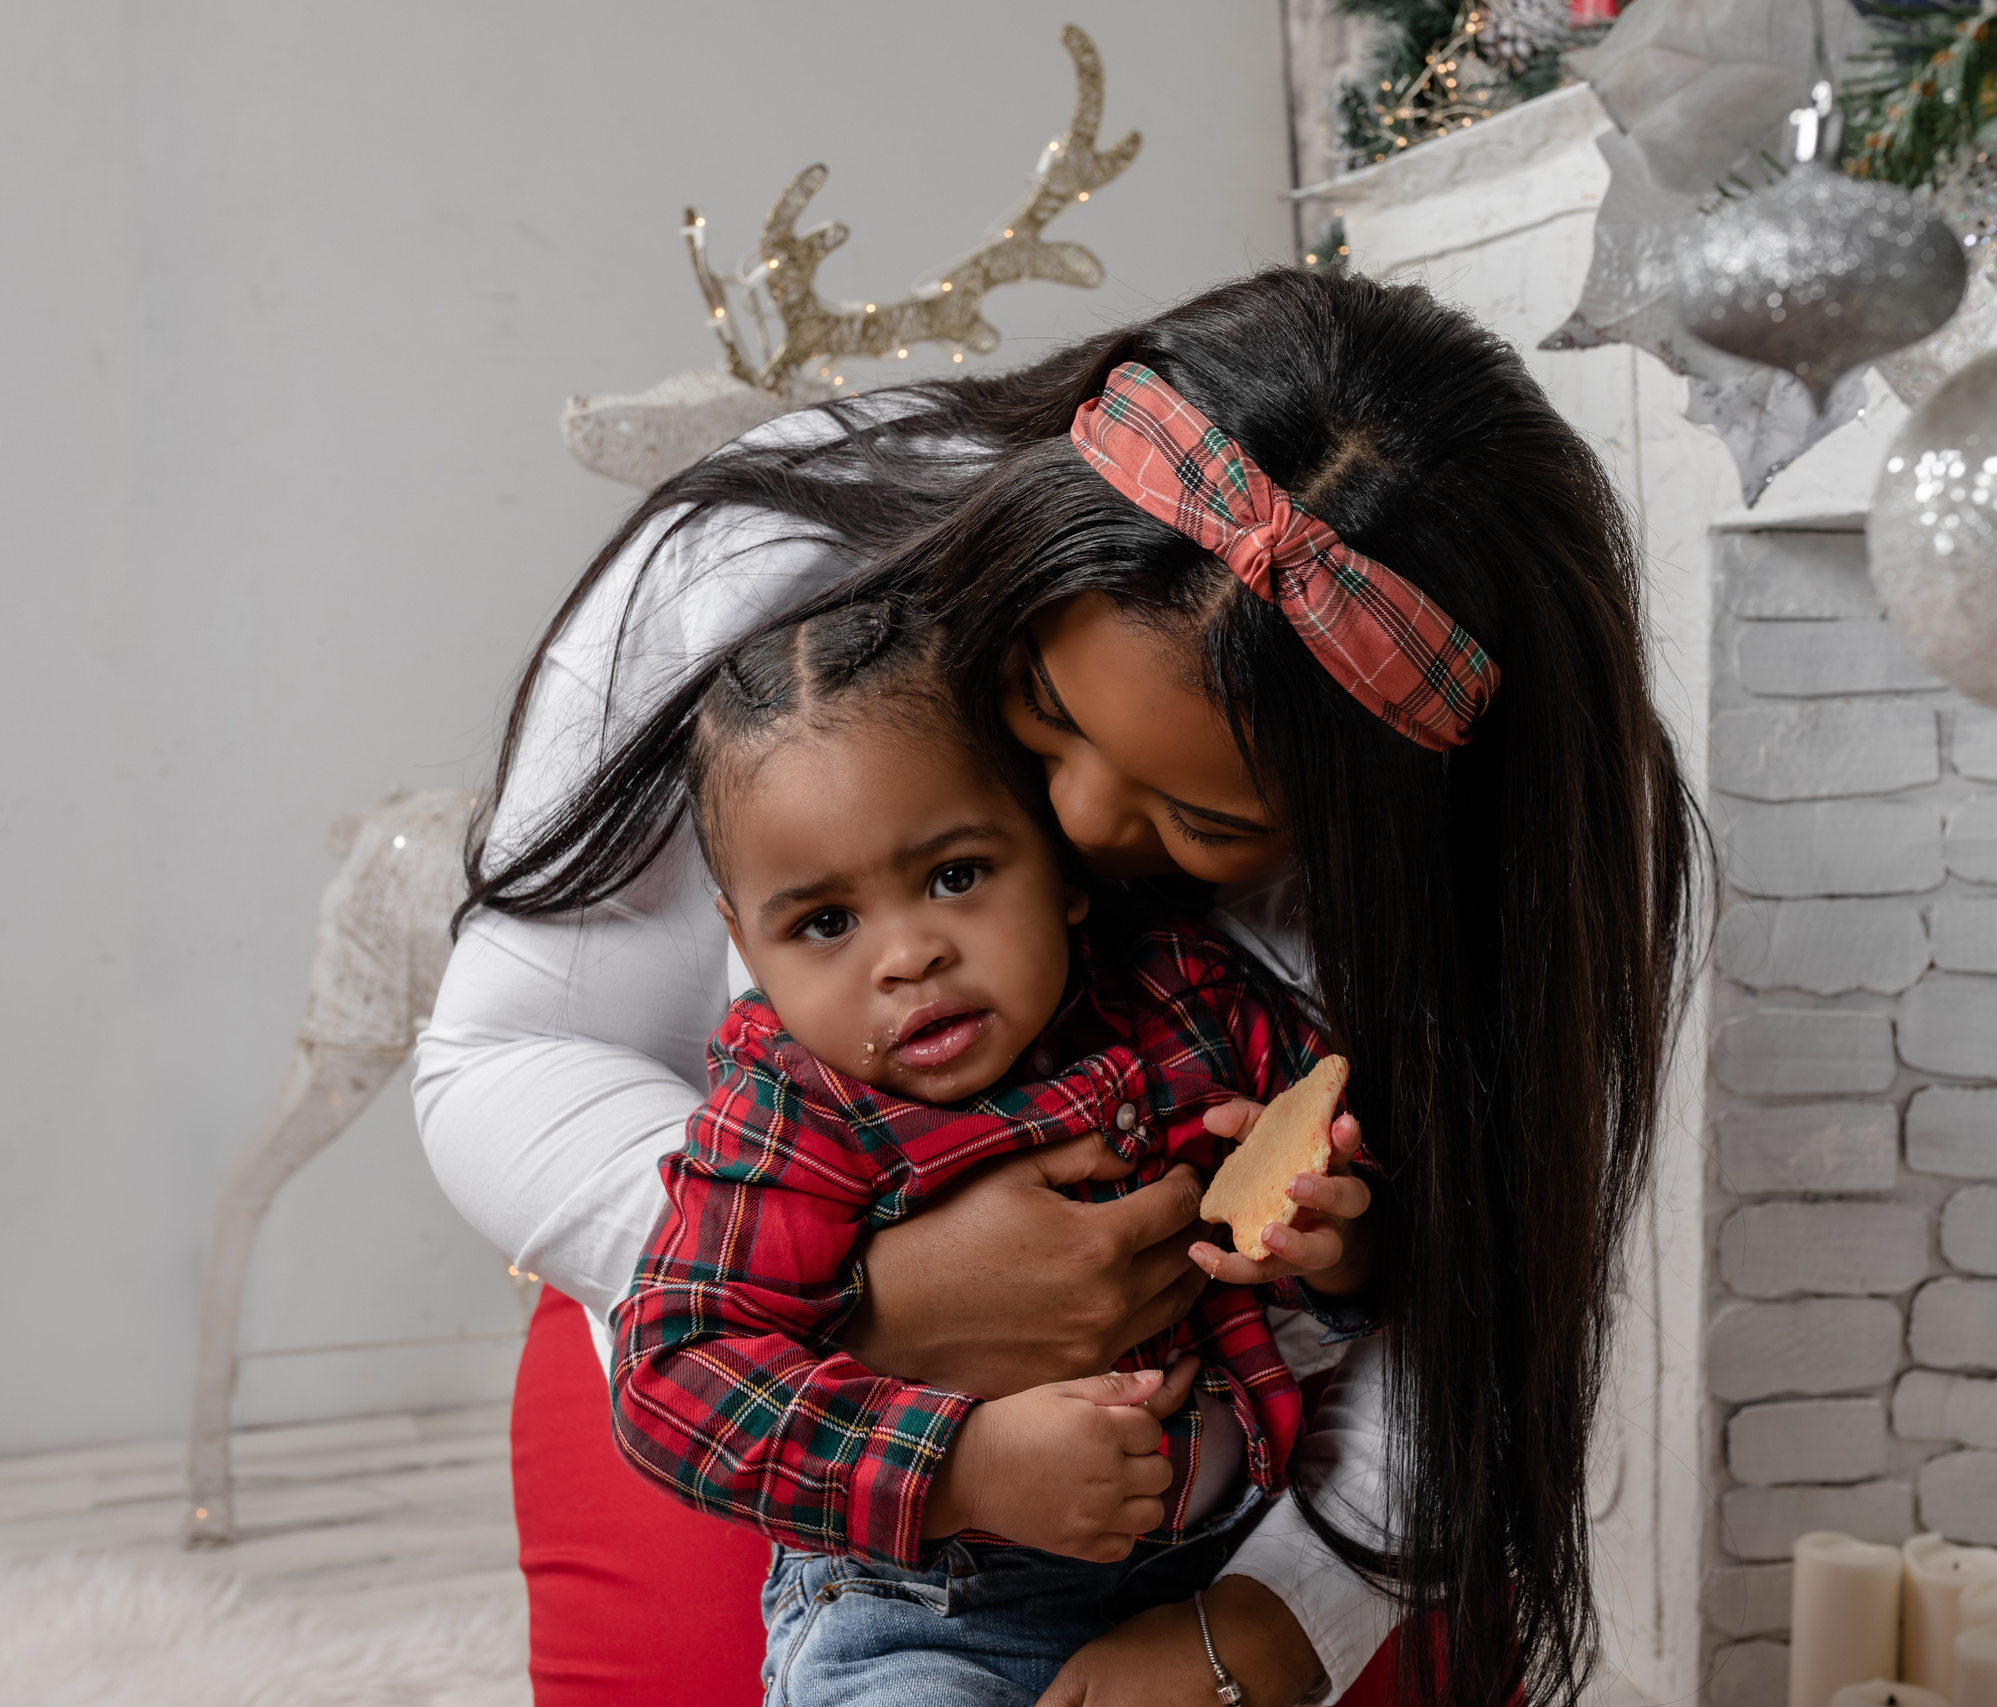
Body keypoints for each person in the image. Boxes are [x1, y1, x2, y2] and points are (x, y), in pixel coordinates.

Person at [420, 265, 1697, 1707]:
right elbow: (507, 1060)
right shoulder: (758, 579)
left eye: (1204, 822)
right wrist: (883, 1295)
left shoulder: (1282, 973)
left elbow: (1450, 1295)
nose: (1080, 827)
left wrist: (1271, 1621)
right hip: (838, 1476)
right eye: (1043, 714)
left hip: (1266, 1507)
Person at [610, 591, 1376, 1704]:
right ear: (745, 941)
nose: (909, 955)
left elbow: (1374, 1232)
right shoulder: (792, 1104)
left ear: (1060, 866)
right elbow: (670, 1379)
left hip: (1216, 1569)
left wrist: (1336, 1243)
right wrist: (965, 1470)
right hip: (935, 1607)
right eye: (825, 923)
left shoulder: (1187, 999)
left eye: (957, 875)